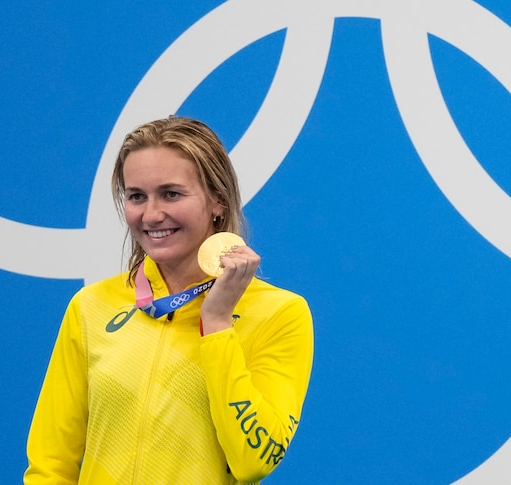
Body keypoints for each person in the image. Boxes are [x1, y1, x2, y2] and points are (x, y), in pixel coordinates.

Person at [24, 116, 314, 484]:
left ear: (218, 202)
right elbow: (51, 462)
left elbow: (254, 458)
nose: (152, 214)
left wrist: (218, 324)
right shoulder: (91, 305)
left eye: (171, 193)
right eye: (136, 196)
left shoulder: (279, 313)